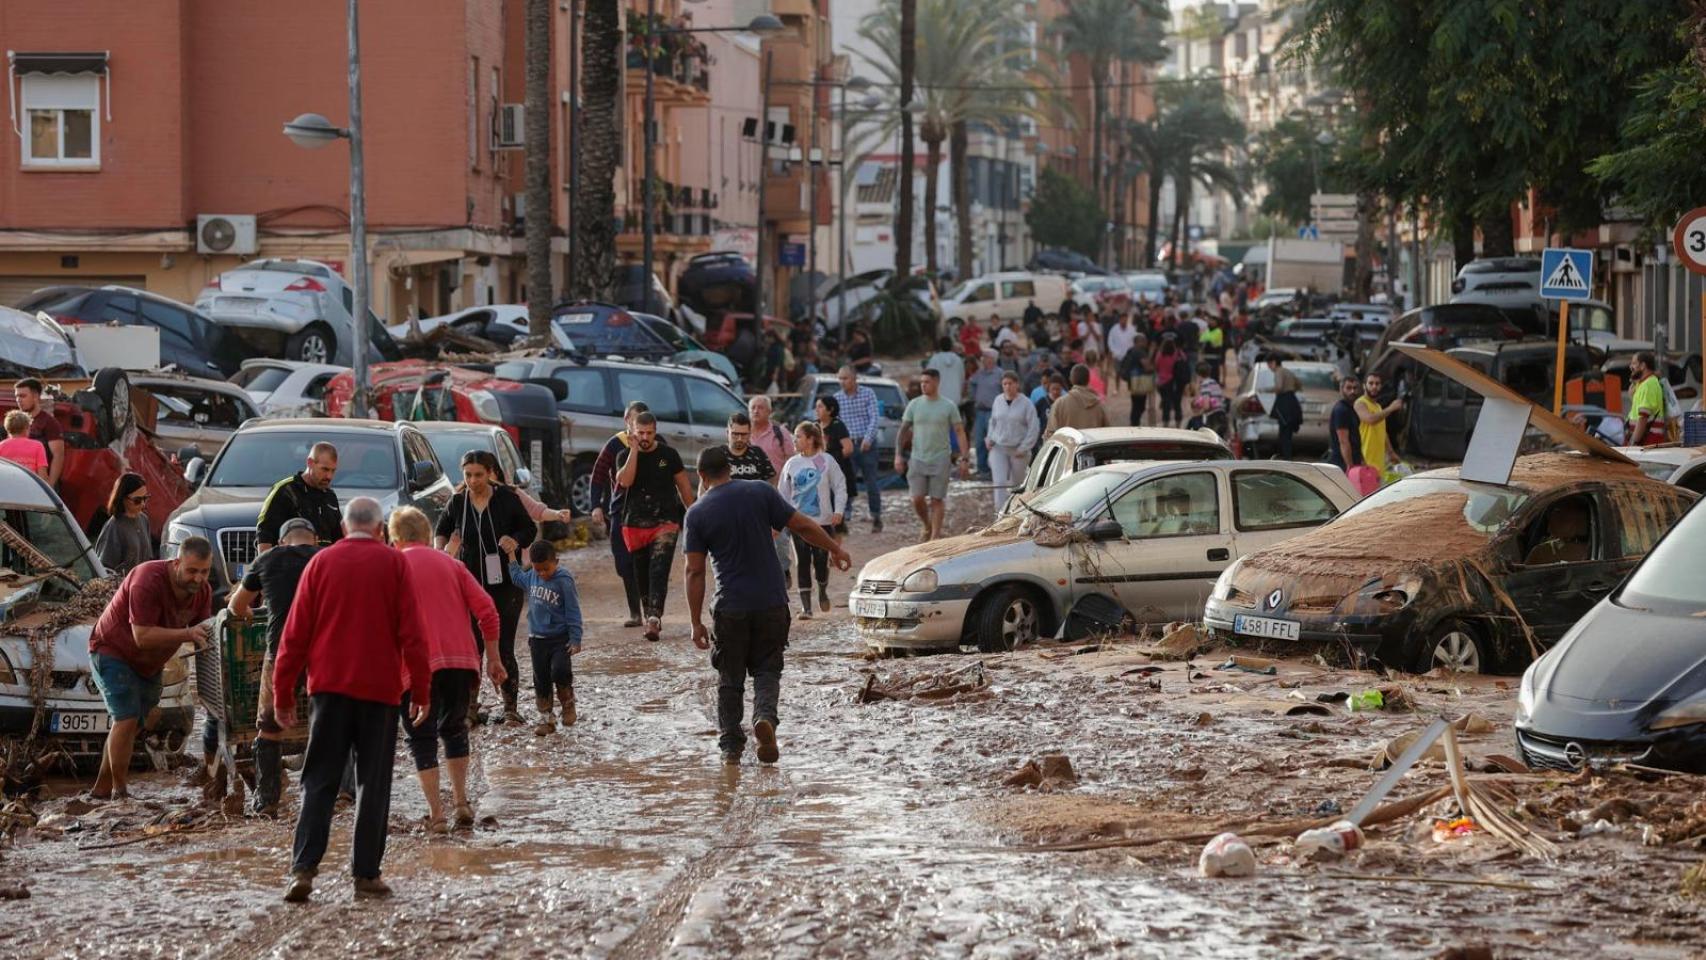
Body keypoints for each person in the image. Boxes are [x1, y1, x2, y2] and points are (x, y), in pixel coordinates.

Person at [274, 498, 431, 903]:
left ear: (344, 528)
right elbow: (413, 633)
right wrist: (421, 689)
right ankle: (365, 876)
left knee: (319, 780)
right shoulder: (394, 564)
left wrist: (282, 693)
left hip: (327, 691)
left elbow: (294, 635)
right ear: (380, 530)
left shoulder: (321, 564)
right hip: (379, 693)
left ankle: (303, 871)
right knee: (372, 784)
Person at [682, 446, 850, 766]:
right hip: (772, 603)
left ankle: (731, 747)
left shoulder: (698, 513)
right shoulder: (760, 492)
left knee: (730, 679)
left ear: (702, 477)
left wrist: (695, 621)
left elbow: (694, 571)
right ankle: (765, 720)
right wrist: (834, 549)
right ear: (729, 469)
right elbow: (802, 525)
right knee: (767, 670)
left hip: (730, 607)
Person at [387, 507, 504, 833]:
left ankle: (437, 815)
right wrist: (493, 657)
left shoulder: (393, 568)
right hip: (460, 663)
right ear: (426, 535)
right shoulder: (453, 565)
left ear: (394, 540)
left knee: (421, 739)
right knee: (454, 730)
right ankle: (462, 803)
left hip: (415, 668)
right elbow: (488, 611)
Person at [87, 539, 214, 800]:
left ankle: (100, 791)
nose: (198, 579)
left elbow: (207, 636)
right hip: (112, 650)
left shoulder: (203, 591)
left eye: (204, 572)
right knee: (126, 718)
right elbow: (141, 636)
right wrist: (187, 632)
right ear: (176, 563)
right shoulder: (147, 579)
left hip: (149, 663)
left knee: (131, 726)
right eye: (192, 571)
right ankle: (120, 794)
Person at [227, 518, 320, 816]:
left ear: (282, 542)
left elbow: (236, 607)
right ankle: (341, 794)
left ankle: (267, 802)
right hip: (323, 651)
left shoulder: (266, 558)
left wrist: (251, 615)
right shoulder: (325, 558)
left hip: (281, 650)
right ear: (315, 540)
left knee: (269, 727)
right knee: (332, 721)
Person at [435, 450, 535, 723]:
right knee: (471, 647)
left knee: (503, 646)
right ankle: (470, 708)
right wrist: (442, 550)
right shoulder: (457, 502)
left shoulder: (507, 499)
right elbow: (441, 529)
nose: (473, 481)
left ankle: (510, 708)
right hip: (469, 584)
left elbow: (530, 529)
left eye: (479, 475)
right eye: (468, 475)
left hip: (505, 584)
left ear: (490, 473)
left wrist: (515, 540)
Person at [616, 412, 696, 642]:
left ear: (655, 430)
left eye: (649, 433)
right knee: (641, 572)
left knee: (658, 570)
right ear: (632, 431)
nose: (645, 437)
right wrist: (634, 451)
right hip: (634, 523)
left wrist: (695, 513)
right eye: (640, 432)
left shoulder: (668, 455)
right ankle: (648, 613)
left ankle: (654, 619)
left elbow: (683, 487)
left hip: (665, 522)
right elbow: (626, 481)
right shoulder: (624, 455)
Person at [506, 539, 583, 736]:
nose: (542, 573)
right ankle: (546, 718)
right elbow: (516, 577)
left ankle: (567, 704)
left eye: (546, 569)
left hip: (560, 639)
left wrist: (575, 639)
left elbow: (573, 610)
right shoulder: (531, 576)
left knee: (560, 671)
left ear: (556, 561)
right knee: (540, 679)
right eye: (537, 569)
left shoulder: (564, 580)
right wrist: (511, 555)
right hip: (537, 640)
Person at [591, 401, 651, 628]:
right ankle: (635, 612)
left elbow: (670, 470)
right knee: (624, 564)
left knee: (646, 562)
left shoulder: (658, 446)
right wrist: (595, 505)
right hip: (621, 511)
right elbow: (597, 475)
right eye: (631, 421)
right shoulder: (615, 445)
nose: (634, 426)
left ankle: (649, 611)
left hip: (649, 514)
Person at [778, 422, 847, 618]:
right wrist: (782, 519)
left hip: (823, 522)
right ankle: (806, 608)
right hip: (798, 522)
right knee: (802, 561)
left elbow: (840, 486)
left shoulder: (826, 461)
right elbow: (782, 494)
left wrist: (839, 511)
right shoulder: (791, 464)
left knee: (820, 561)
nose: (794, 440)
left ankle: (823, 589)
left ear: (811, 439)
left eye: (798, 436)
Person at [896, 368, 970, 543]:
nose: (923, 385)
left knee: (937, 499)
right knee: (917, 498)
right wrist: (898, 456)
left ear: (937, 382)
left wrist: (965, 458)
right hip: (917, 458)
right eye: (922, 382)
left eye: (927, 382)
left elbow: (960, 431)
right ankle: (926, 525)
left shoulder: (948, 406)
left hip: (941, 458)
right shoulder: (914, 404)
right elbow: (902, 431)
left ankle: (935, 536)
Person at [255, 442, 342, 550]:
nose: (329, 476)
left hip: (323, 564)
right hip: (290, 563)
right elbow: (265, 534)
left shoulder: (330, 497)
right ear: (310, 463)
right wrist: (266, 565)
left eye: (333, 471)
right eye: (324, 469)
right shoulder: (286, 490)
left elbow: (338, 539)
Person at [748, 395, 796, 587]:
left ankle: (784, 570)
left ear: (769, 412)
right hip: (749, 492)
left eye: (760, 407)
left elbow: (792, 460)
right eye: (753, 408)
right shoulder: (744, 434)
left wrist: (786, 484)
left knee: (780, 535)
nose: (756, 411)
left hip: (776, 489)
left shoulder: (780, 432)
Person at [835, 366, 884, 533]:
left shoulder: (868, 394)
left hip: (866, 445)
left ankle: (876, 516)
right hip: (847, 445)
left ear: (854, 378)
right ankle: (844, 517)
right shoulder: (837, 399)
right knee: (845, 482)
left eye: (846, 378)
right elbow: (837, 423)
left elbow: (874, 418)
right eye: (840, 379)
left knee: (871, 482)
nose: (842, 382)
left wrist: (868, 438)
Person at [987, 371, 1039, 513]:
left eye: (1010, 383)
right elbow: (993, 422)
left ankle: (1017, 511)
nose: (1008, 387)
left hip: (1018, 449)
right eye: (1005, 384)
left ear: (1017, 384)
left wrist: (1024, 448)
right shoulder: (998, 400)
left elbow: (1034, 428)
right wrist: (989, 438)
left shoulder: (1026, 403)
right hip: (999, 447)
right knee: (999, 482)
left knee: (1018, 484)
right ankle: (999, 513)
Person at [94, 473, 152, 575]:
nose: (143, 504)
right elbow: (104, 570)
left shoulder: (144, 520)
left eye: (145, 498)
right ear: (123, 498)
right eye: (137, 500)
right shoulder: (114, 527)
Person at [814, 395, 855, 535]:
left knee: (834, 508)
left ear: (830, 410)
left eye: (820, 406)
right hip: (817, 474)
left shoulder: (838, 426)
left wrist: (832, 463)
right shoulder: (814, 426)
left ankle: (836, 541)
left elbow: (848, 448)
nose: (816, 409)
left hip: (836, 472)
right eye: (816, 406)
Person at [13, 378, 64, 488]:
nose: (18, 400)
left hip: (40, 483)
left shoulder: (49, 423)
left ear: (36, 396)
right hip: (16, 482)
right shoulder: (15, 422)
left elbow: (58, 455)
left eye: (22, 396)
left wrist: (50, 485)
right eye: (16, 396)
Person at [1355, 372, 1403, 475]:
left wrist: (1391, 452)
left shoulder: (1378, 407)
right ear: (1364, 386)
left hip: (1378, 463)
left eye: (1377, 384)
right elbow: (1370, 420)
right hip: (1365, 460)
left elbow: (1382, 431)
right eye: (1371, 383)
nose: (1374, 387)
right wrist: (1391, 408)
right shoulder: (1360, 403)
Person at [1043, 364, 1109, 437]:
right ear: (1088, 380)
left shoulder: (1059, 404)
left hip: (1068, 447)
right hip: (1092, 447)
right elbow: (1107, 433)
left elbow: (1050, 435)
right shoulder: (1098, 405)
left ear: (1071, 380)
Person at [967, 350, 1004, 477]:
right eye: (983, 357)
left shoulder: (1000, 374)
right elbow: (971, 383)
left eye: (986, 357)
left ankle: (994, 469)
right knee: (979, 442)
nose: (983, 359)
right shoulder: (979, 374)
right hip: (980, 412)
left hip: (994, 413)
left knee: (993, 442)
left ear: (993, 359)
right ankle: (982, 469)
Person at [714, 412, 776, 483]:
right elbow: (705, 486)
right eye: (735, 434)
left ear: (749, 434)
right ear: (727, 433)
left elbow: (771, 481)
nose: (739, 439)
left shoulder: (758, 453)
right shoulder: (718, 455)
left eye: (743, 434)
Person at [1327, 374, 1367, 473]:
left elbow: (1355, 438)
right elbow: (1343, 441)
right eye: (1348, 388)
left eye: (1355, 388)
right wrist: (1349, 466)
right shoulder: (1341, 410)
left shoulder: (1352, 408)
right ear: (1341, 390)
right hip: (1341, 463)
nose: (1352, 391)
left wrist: (1362, 459)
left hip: (1354, 459)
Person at [1266, 354, 1303, 459]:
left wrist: (1265, 390)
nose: (1269, 367)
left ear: (1273, 362)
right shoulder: (1287, 371)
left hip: (1284, 403)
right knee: (1288, 433)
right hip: (1292, 401)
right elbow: (1299, 384)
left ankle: (1286, 458)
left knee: (1284, 434)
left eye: (1269, 364)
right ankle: (1286, 456)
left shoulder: (1279, 372)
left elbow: (1279, 387)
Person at [1628, 351, 1669, 446]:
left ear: (1642, 366)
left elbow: (1643, 417)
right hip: (1645, 441)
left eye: (1634, 363)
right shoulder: (1643, 383)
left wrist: (1633, 442)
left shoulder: (1649, 385)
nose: (1631, 367)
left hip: (1647, 442)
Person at [0, 409, 48, 478]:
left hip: (7, 487)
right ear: (27, 428)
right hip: (30, 486)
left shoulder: (1, 446)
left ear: (7, 428)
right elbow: (42, 475)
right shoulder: (37, 446)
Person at [1154, 336, 1189, 428]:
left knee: (1166, 404)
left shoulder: (1160, 355)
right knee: (1177, 403)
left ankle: (1166, 424)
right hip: (1177, 382)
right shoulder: (1178, 354)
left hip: (1162, 382)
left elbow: (1156, 366)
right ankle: (1178, 425)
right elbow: (1185, 363)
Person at [925, 336, 966, 412]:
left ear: (940, 346)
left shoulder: (935, 360)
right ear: (951, 346)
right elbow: (962, 379)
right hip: (955, 398)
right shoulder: (958, 360)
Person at [1121, 333, 1154, 427]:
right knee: (1140, 405)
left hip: (1132, 381)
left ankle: (1134, 422)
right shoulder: (1140, 352)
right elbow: (1147, 367)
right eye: (1144, 340)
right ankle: (1135, 423)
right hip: (1141, 382)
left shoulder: (1130, 351)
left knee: (1135, 404)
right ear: (1139, 341)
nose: (1146, 342)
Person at [1186, 362, 1225, 431]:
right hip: (1221, 415)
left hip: (1212, 418)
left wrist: (1198, 413)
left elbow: (1206, 406)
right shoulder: (1214, 383)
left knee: (1192, 422)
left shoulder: (1205, 385)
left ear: (1198, 374)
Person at [1033, 375, 1065, 453]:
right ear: (1049, 388)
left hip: (1061, 439)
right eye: (1053, 389)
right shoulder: (1042, 402)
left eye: (1058, 389)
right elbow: (1033, 419)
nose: (1055, 392)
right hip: (1045, 439)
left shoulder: (1064, 402)